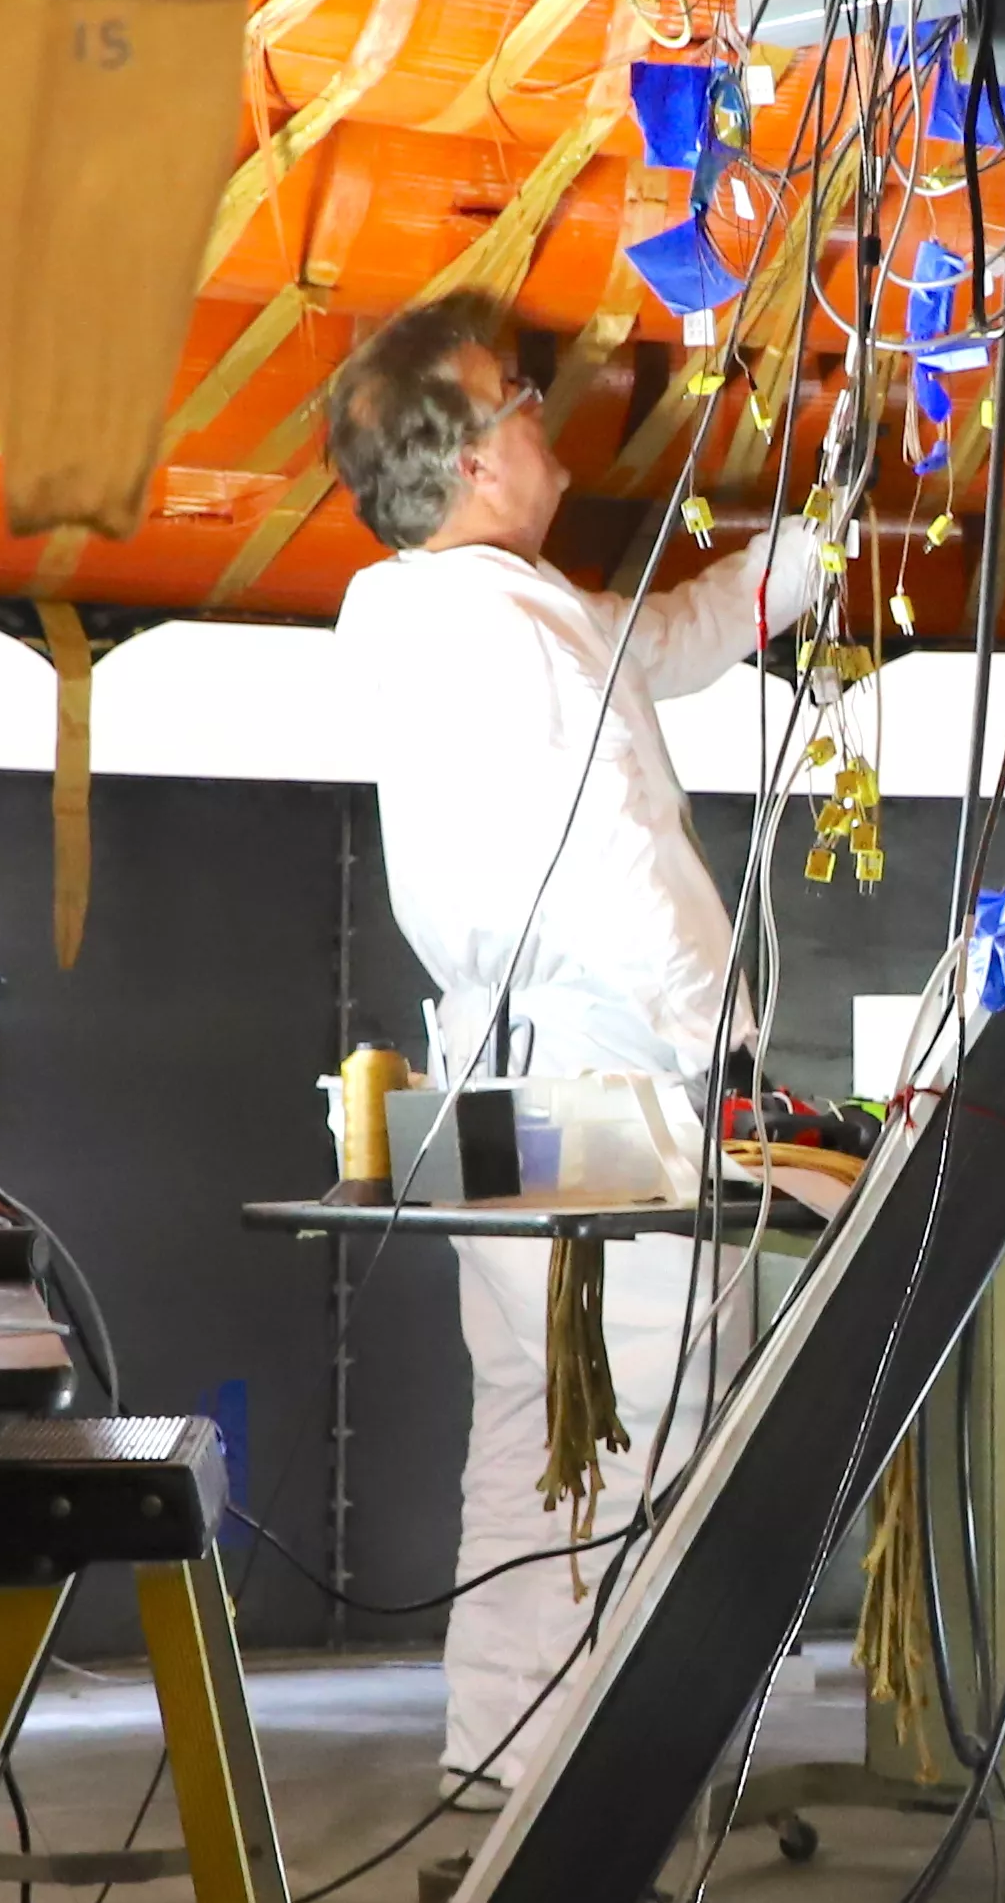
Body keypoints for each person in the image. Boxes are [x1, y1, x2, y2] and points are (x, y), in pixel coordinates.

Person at [322, 297, 832, 1788]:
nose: (547, 417)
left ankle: (501, 1770)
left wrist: (813, 548)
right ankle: (613, 1801)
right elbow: (615, 850)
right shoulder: (507, 629)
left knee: (532, 1440)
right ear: (476, 455)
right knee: (649, 1436)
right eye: (523, 397)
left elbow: (666, 642)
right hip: (613, 1079)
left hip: (497, 1091)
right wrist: (721, 1062)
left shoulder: (446, 612)